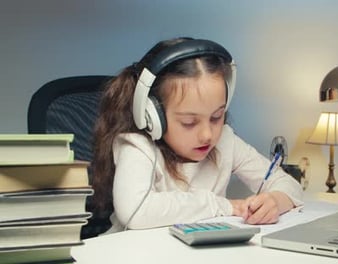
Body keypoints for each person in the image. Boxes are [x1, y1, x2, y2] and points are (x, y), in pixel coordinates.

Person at [91, 37, 304, 234]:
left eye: (216, 117)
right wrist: (224, 205)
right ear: (152, 116)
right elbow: (136, 211)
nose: (207, 135)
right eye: (189, 122)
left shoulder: (225, 141)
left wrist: (275, 200)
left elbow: (288, 184)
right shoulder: (137, 146)